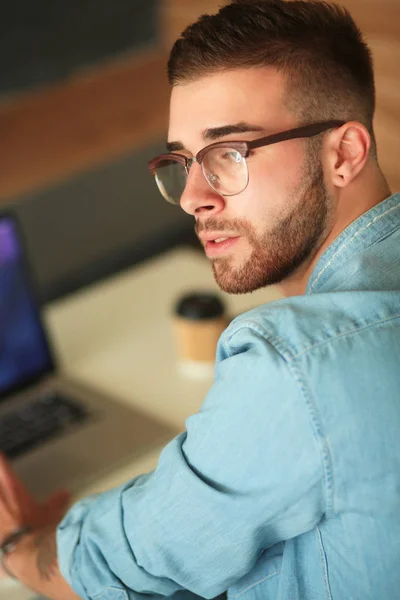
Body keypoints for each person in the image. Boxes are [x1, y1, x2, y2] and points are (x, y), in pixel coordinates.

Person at [1, 0, 399, 598]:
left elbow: (121, 573)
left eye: (228, 153)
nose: (191, 197)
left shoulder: (296, 365)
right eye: (183, 161)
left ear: (343, 154)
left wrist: (19, 545)